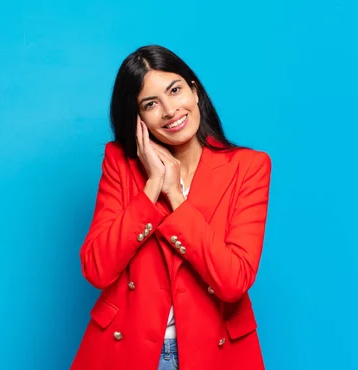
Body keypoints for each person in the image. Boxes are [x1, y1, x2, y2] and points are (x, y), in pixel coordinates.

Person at [71, 45, 272, 370]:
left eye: (175, 90)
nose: (169, 111)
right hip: (128, 349)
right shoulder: (120, 164)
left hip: (213, 351)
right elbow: (97, 269)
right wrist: (151, 188)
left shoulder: (248, 167)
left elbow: (233, 281)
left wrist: (175, 196)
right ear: (138, 118)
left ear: (194, 91)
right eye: (151, 104)